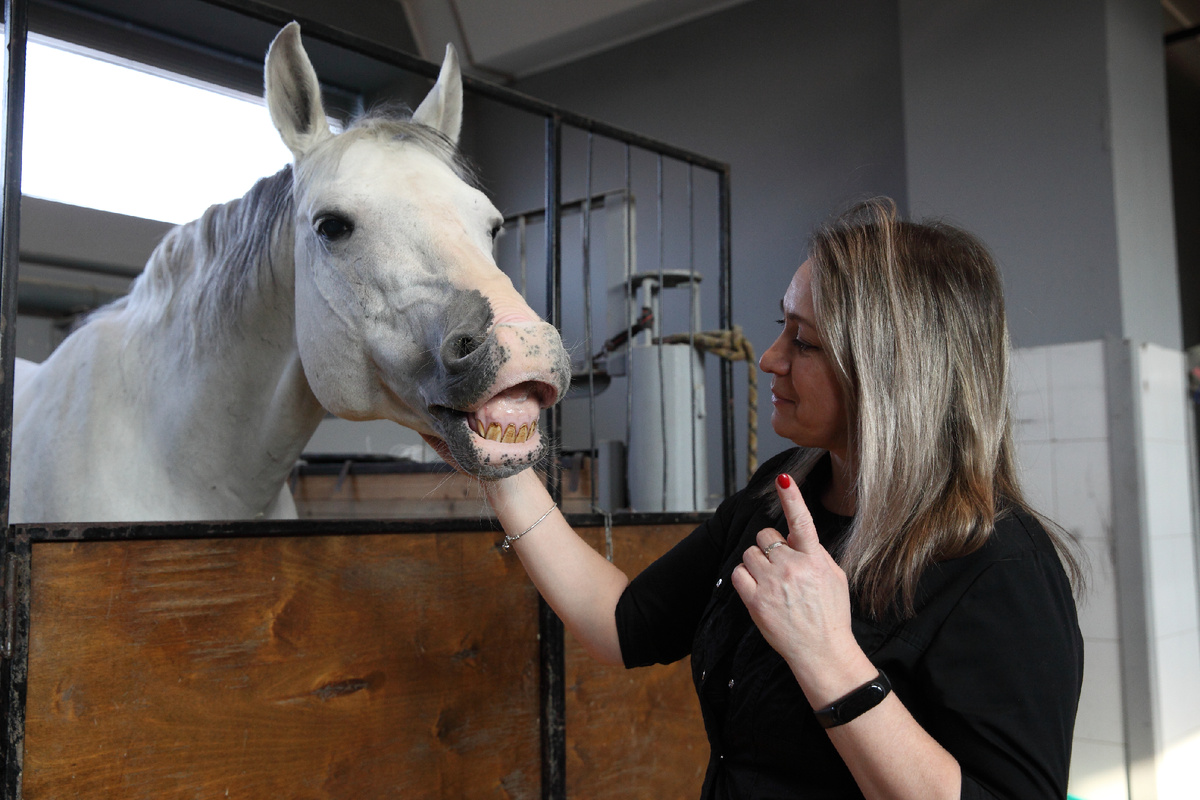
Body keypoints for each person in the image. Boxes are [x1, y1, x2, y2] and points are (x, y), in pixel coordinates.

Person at [479, 197, 1084, 799]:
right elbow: (622, 624)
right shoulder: (778, 493)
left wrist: (828, 656)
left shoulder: (1001, 566)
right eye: (781, 329)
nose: (771, 360)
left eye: (805, 342)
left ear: (893, 368)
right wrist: (498, 461)